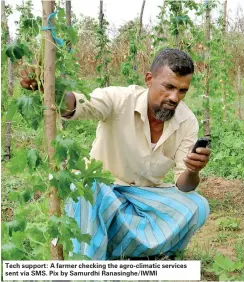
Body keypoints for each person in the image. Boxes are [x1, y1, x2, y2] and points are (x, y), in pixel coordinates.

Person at [20, 48, 211, 260]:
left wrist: (193, 170)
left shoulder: (186, 121)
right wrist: (49, 88)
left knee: (198, 206)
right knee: (85, 186)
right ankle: (88, 265)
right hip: (104, 189)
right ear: (149, 79)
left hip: (143, 195)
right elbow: (80, 104)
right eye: (169, 87)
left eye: (182, 91)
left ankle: (141, 254)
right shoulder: (119, 99)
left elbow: (183, 185)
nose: (175, 97)